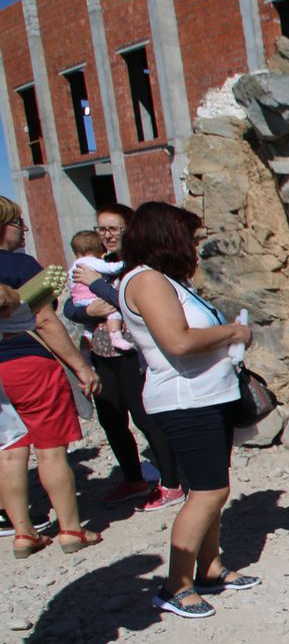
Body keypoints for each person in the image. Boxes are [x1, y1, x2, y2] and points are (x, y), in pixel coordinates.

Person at [119, 203, 259, 619]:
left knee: (215, 487)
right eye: (189, 238)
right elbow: (178, 342)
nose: (195, 247)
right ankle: (176, 584)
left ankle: (210, 567)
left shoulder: (166, 281)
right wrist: (234, 331)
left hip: (206, 397)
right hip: (185, 401)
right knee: (208, 490)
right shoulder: (146, 280)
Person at [65, 204, 186, 511]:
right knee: (111, 417)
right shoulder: (95, 264)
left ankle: (171, 482)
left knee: (145, 417)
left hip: (135, 353)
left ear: (129, 230)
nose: (106, 235)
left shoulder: (139, 267)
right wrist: (85, 310)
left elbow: (123, 300)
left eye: (113, 229)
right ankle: (133, 478)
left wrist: (97, 286)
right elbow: (70, 306)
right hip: (103, 352)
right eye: (101, 229)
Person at [0, 197, 102, 558]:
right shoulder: (20, 265)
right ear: (4, 227)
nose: (23, 230)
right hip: (26, 364)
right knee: (50, 450)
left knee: (10, 453)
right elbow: (45, 321)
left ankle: (24, 535)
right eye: (17, 224)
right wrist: (81, 366)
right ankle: (71, 531)